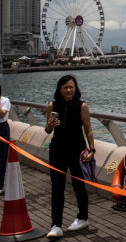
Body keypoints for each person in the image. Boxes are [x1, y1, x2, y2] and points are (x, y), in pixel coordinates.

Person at [44, 75, 95, 238]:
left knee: (78, 184)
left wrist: (92, 149)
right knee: (57, 186)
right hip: (57, 149)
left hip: (77, 149)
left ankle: (83, 217)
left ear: (76, 88)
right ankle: (56, 225)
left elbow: (88, 130)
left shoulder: (82, 106)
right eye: (65, 87)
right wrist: (49, 125)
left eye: (71, 87)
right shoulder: (52, 105)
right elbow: (47, 131)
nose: (68, 90)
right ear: (60, 89)